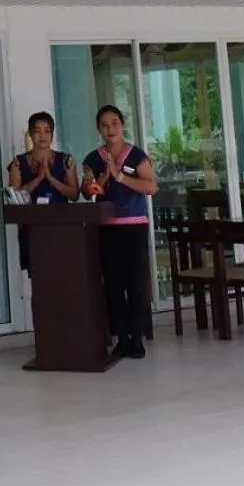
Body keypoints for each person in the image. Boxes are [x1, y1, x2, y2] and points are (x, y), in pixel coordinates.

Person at [79, 104, 158, 359]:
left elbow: (151, 187)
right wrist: (101, 180)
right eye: (104, 124)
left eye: (114, 123)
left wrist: (121, 178)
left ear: (122, 124)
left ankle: (137, 336)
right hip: (106, 227)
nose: (110, 128)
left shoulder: (136, 156)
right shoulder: (93, 159)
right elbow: (85, 191)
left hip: (133, 224)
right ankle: (121, 338)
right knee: (113, 283)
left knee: (135, 282)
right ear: (99, 129)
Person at [8, 111, 78, 271]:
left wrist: (52, 179)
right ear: (31, 134)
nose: (42, 135)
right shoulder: (18, 162)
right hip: (32, 227)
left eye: (47, 131)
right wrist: (39, 178)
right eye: (37, 131)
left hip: (60, 225)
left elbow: (74, 194)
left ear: (52, 134)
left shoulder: (66, 160)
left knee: (62, 273)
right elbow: (13, 198)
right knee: (38, 276)